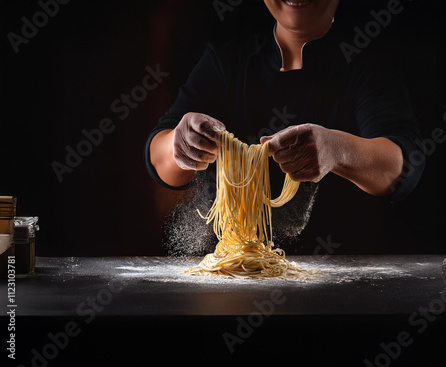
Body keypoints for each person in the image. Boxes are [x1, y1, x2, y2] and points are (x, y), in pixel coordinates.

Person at [145, 0, 425, 254]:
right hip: (229, 282)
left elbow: (401, 166)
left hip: (341, 281)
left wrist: (338, 150)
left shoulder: (367, 66)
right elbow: (160, 160)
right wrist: (180, 145)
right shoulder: (224, 62)